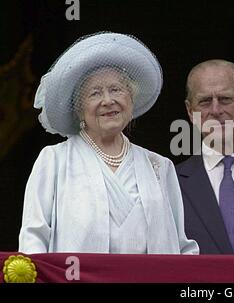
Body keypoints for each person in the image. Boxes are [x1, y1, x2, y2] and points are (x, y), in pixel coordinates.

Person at [18, 32, 199, 254]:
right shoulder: (55, 161)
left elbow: (181, 246)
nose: (107, 100)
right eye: (94, 93)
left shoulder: (159, 166)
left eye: (116, 90)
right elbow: (33, 237)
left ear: (131, 100)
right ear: (79, 109)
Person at [176, 59, 234, 255]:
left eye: (225, 99)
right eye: (204, 102)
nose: (216, 110)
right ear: (190, 111)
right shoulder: (171, 182)